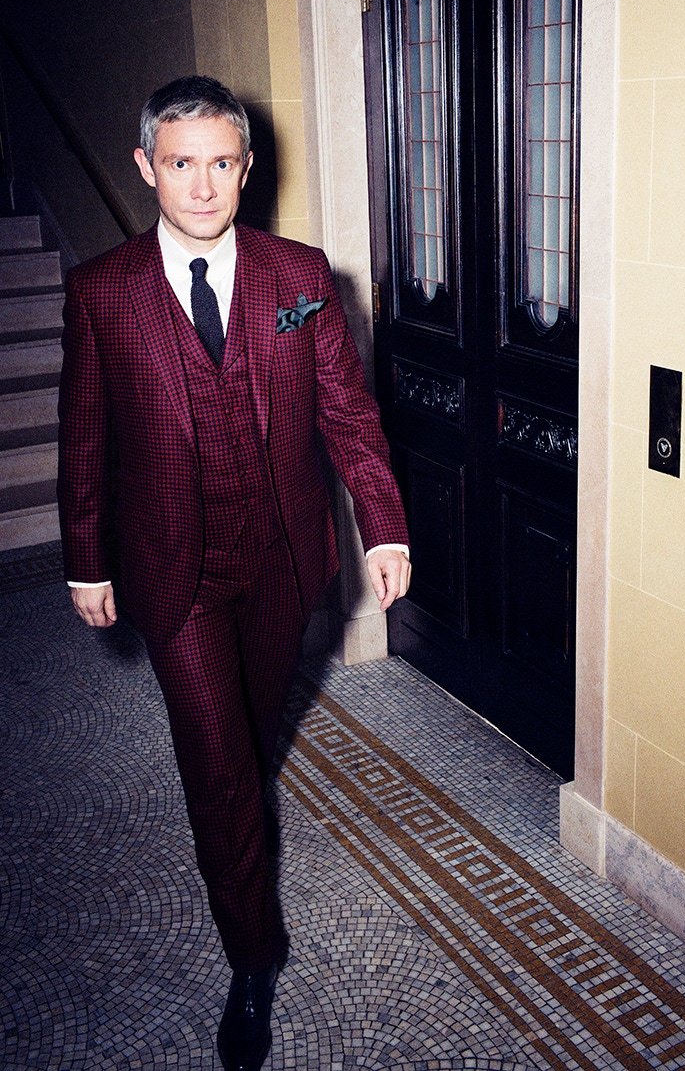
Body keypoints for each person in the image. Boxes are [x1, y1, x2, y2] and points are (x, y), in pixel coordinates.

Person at [57, 76, 410, 1071]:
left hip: (282, 559)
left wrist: (382, 527)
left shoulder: (300, 276)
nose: (202, 185)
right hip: (170, 569)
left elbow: (346, 413)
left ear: (246, 168)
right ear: (145, 167)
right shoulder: (101, 291)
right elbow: (83, 434)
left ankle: (241, 818)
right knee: (217, 769)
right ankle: (252, 958)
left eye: (221, 162)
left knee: (251, 734)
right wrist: (85, 554)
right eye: (180, 163)